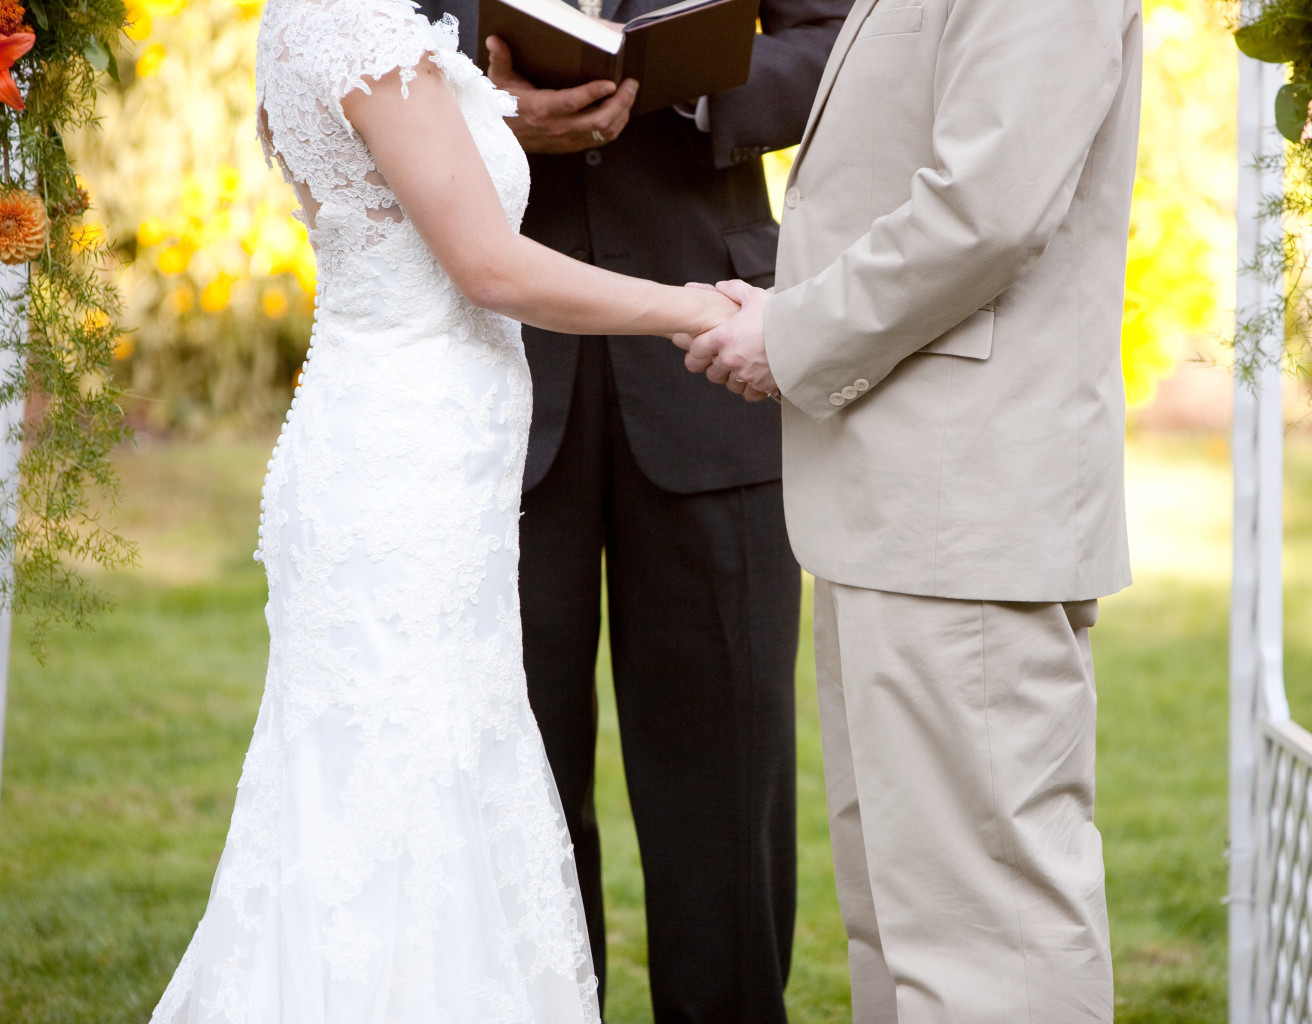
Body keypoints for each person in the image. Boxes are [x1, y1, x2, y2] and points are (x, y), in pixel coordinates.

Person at [147, 0, 743, 1019]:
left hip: (422, 466)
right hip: (398, 471)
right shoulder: (353, 21)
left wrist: (513, 111)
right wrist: (692, 305)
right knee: (397, 791)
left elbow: (411, 165)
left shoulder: (372, 24)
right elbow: (489, 266)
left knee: (426, 774)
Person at [679, 0, 1144, 1020]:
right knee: (904, 931)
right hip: (903, 508)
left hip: (965, 517)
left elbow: (987, 210)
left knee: (988, 943)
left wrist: (792, 336)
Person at [412, 1, 849, 1020]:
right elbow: (380, 53)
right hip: (494, 372)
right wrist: (491, 112)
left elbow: (843, 45)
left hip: (714, 359)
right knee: (514, 782)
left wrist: (687, 88)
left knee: (727, 789)